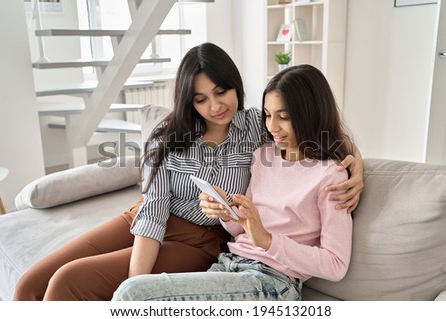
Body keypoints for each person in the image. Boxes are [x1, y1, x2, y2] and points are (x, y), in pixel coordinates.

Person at [13, 43, 361, 301]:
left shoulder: (257, 126)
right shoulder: (168, 137)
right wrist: (138, 284)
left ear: (235, 86)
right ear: (188, 101)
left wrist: (354, 167)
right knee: (30, 284)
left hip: (203, 238)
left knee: (67, 281)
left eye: (222, 91)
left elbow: (317, 129)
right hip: (149, 219)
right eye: (200, 99)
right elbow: (152, 215)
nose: (215, 106)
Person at [112, 64, 354, 301]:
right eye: (267, 115)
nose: (272, 127)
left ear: (311, 114)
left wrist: (268, 241)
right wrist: (226, 211)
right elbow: (241, 229)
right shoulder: (264, 155)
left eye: (284, 117)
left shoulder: (330, 176)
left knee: (133, 292)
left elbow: (336, 265)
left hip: (274, 281)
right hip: (230, 264)